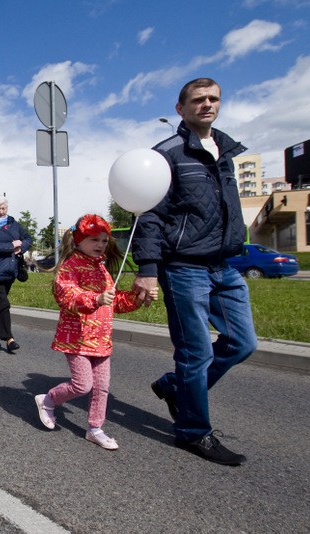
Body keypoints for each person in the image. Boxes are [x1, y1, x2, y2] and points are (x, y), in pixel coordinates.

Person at [131, 77, 256, 466]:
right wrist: (147, 269)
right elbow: (149, 215)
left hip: (223, 265)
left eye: (214, 98)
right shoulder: (167, 154)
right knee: (195, 353)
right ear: (180, 108)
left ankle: (175, 387)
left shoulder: (226, 152)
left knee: (242, 343)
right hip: (184, 267)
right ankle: (193, 431)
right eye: (198, 99)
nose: (207, 104)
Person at [35, 215, 150, 450]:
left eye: (104, 241)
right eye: (94, 240)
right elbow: (68, 296)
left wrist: (137, 298)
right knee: (82, 385)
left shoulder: (101, 268)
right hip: (76, 338)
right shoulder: (70, 267)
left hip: (101, 339)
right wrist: (95, 299)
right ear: (78, 241)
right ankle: (48, 399)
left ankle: (95, 428)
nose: (100, 245)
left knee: (102, 387)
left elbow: (114, 301)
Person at [0, 195, 32, 353]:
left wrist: (21, 248)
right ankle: (9, 339)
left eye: (3, 208)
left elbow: (27, 238)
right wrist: (11, 245)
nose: (1, 211)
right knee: (2, 303)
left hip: (10, 270)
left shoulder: (13, 224)